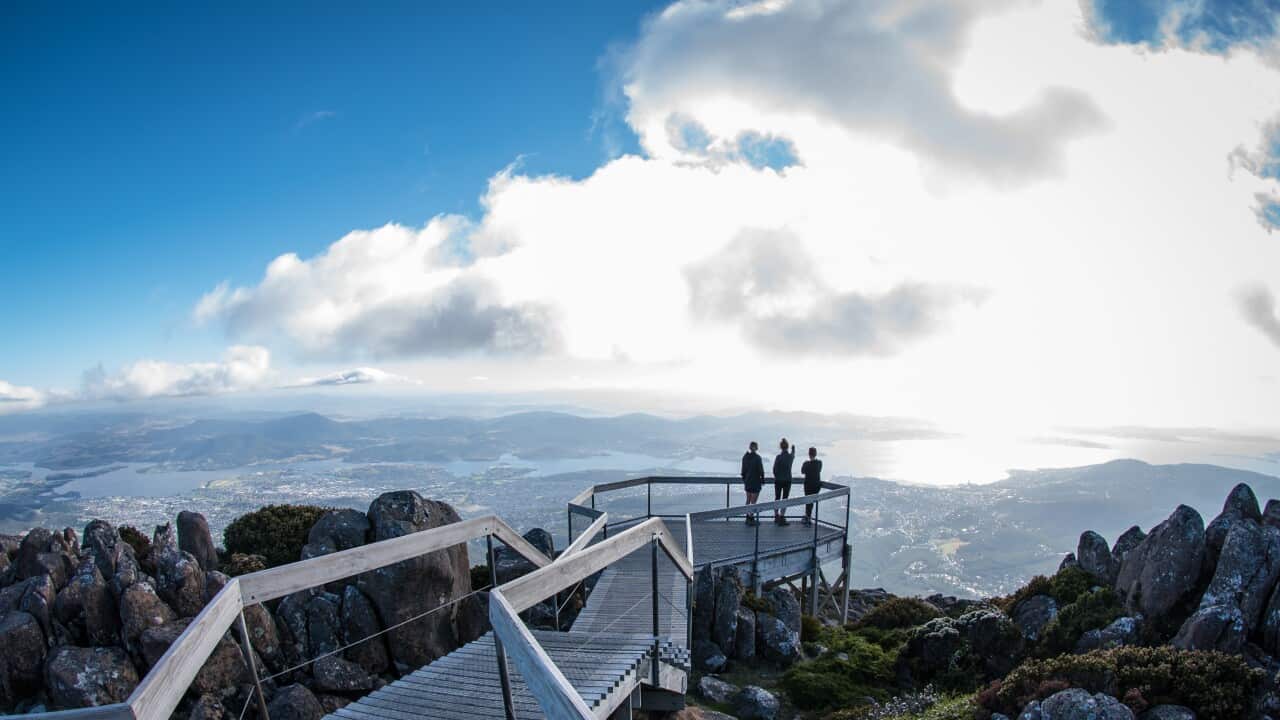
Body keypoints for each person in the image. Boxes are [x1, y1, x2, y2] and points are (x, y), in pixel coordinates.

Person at [741, 441, 765, 525]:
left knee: (748, 500)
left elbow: (743, 470)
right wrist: (762, 479)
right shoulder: (758, 458)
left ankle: (748, 517)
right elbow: (760, 470)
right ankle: (751, 517)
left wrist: (745, 479)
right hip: (755, 481)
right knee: (753, 501)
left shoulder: (745, 457)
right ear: (756, 448)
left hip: (748, 481)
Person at [772, 438, 796, 525]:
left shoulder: (778, 457)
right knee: (785, 499)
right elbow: (793, 455)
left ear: (780, 447)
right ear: (787, 447)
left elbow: (774, 469)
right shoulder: (790, 457)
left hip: (778, 480)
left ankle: (776, 516)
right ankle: (782, 517)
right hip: (787, 480)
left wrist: (777, 476)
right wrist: (793, 449)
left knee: (777, 498)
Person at [801, 446, 823, 526]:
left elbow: (802, 471)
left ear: (809, 454)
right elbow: (819, 470)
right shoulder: (819, 463)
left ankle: (808, 518)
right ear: (815, 454)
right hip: (816, 486)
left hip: (808, 485)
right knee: (812, 502)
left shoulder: (806, 464)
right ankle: (808, 517)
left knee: (808, 501)